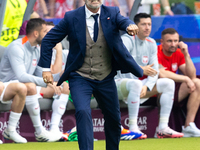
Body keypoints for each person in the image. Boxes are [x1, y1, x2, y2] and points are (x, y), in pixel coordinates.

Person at [37, 0, 148, 149]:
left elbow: (124, 21)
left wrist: (130, 26)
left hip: (106, 77)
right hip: (80, 76)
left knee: (114, 119)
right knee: (82, 112)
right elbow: (48, 40)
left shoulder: (113, 12)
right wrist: (45, 69)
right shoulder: (71, 17)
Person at [115, 13, 184, 139]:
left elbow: (155, 70)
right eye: (143, 24)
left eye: (149, 24)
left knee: (168, 83)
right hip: (118, 84)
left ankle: (163, 128)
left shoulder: (151, 42)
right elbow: (120, 61)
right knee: (135, 84)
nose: (147, 27)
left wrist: (147, 87)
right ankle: (133, 128)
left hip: (137, 87)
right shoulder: (127, 39)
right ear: (135, 26)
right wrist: (141, 70)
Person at [0, 18, 65, 142]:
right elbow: (22, 76)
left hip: (23, 86)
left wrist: (60, 76)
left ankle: (38, 132)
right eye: (45, 31)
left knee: (60, 86)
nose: (49, 35)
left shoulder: (36, 49)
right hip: (6, 86)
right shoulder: (17, 47)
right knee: (28, 86)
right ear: (36, 33)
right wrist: (48, 83)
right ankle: (36, 130)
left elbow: (42, 75)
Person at [158, 28, 200, 137]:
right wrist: (185, 79)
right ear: (162, 42)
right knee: (169, 83)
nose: (173, 44)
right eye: (169, 41)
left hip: (173, 89)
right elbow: (162, 74)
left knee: (197, 83)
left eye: (176, 41)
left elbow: (192, 75)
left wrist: (186, 54)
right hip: (156, 90)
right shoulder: (156, 52)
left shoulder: (178, 53)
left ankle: (188, 126)